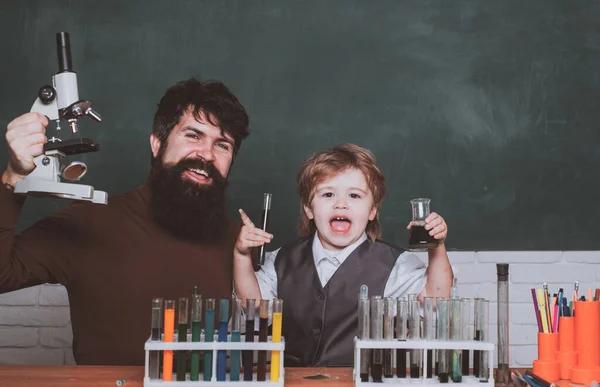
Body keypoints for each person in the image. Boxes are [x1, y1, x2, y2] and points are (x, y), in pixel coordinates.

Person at [0, 78, 250, 365]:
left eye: (222, 145)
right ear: (157, 143)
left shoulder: (237, 244)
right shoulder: (90, 222)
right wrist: (12, 178)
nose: (206, 154)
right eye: (193, 136)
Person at [233, 143, 453, 367]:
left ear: (372, 210)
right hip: (295, 381)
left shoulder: (394, 264)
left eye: (355, 196)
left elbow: (435, 300)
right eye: (328, 194)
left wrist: (437, 246)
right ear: (309, 209)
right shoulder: (282, 260)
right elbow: (254, 306)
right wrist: (241, 256)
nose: (341, 204)